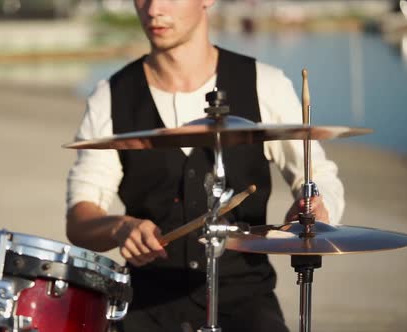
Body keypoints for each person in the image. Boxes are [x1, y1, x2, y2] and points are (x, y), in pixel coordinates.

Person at [66, 0, 344, 331]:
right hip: (146, 307)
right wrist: (120, 227)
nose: (153, 9)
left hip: (246, 304)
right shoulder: (109, 97)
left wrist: (314, 207)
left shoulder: (265, 84)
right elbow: (80, 219)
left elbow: (317, 176)